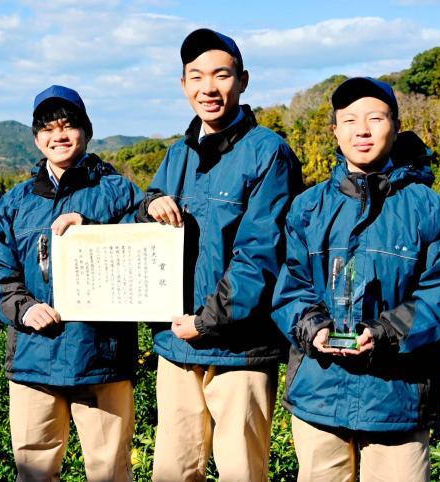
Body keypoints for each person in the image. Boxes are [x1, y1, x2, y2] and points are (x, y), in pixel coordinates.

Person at [271, 77, 440, 482]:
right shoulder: (307, 207)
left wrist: (384, 333)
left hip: (397, 399)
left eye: (375, 118)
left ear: (396, 126)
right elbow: (290, 287)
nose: (361, 130)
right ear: (335, 131)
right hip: (319, 392)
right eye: (348, 120)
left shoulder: (430, 209)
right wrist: (313, 327)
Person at [136, 28, 303, 481]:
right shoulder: (178, 154)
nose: (208, 88)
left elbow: (262, 255)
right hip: (176, 346)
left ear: (243, 80)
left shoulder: (269, 153)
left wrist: (205, 321)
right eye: (196, 77)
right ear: (183, 85)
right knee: (173, 468)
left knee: (241, 470)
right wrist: (149, 202)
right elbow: (149, 214)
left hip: (240, 348)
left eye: (221, 75)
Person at [0, 85, 143, 482]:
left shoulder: (119, 191)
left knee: (110, 470)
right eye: (49, 128)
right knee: (33, 469)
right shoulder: (15, 202)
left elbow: (145, 247)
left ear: (86, 132)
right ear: (37, 139)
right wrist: (24, 308)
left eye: (69, 125)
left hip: (101, 356)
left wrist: (92, 230)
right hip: (34, 358)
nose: (59, 135)